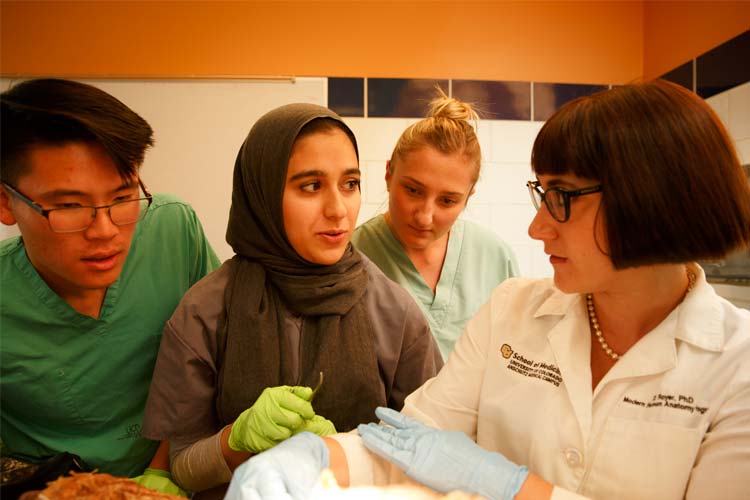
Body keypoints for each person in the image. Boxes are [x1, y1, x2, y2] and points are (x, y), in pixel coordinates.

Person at [224, 79, 750, 500]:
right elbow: (409, 441)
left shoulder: (736, 368)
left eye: (562, 197)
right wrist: (318, 459)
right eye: (541, 195)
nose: (537, 227)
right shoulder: (512, 312)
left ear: (650, 202)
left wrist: (515, 489)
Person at [141, 103, 443, 498]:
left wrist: (346, 452)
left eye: (350, 183)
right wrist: (236, 440)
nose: (338, 210)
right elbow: (182, 467)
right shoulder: (206, 311)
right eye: (311, 186)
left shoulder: (393, 312)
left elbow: (436, 448)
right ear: (263, 193)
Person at [0, 79, 220, 495]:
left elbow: (211, 358)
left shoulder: (172, 230)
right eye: (68, 206)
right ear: (6, 203)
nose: (105, 232)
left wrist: (161, 475)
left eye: (122, 198)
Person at [352, 91, 518, 359]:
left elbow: (513, 356)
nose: (425, 216)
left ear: (468, 197)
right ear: (388, 174)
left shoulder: (495, 257)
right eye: (413, 191)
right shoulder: (355, 255)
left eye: (447, 201)